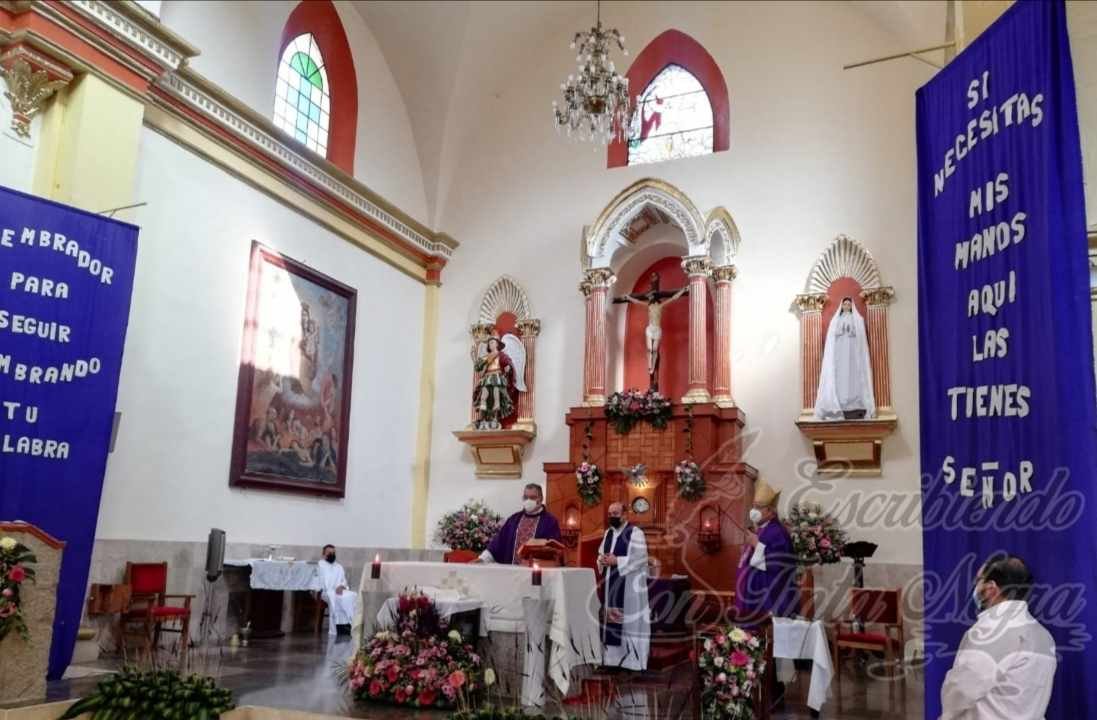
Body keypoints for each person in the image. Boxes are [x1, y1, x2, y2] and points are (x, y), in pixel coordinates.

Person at [940, 554, 1056, 720]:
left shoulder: (988, 632)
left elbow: (960, 691)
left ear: (991, 588)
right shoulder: (1044, 636)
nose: (975, 587)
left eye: (978, 581)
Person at [598, 502, 650, 671]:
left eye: (616, 513)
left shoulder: (636, 533)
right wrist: (602, 560)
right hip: (611, 585)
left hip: (629, 589)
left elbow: (641, 558)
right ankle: (611, 661)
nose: (612, 516)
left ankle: (631, 662)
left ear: (625, 515)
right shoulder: (608, 533)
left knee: (629, 624)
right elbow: (600, 554)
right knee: (611, 621)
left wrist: (617, 561)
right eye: (610, 513)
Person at [735, 479, 798, 618]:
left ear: (770, 510)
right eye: (753, 506)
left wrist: (756, 545)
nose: (754, 511)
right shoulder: (761, 529)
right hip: (754, 592)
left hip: (770, 595)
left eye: (758, 507)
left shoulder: (777, 532)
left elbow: (778, 565)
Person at [814, 296, 876, 420]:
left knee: (852, 376)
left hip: (852, 353)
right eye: (845, 304)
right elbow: (832, 336)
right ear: (842, 306)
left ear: (851, 306)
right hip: (840, 353)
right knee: (841, 375)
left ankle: (854, 403)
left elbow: (859, 336)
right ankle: (840, 402)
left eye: (848, 304)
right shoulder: (837, 319)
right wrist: (840, 330)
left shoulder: (856, 319)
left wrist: (852, 330)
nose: (847, 306)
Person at [478, 484, 562, 564]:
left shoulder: (550, 522)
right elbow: (498, 543)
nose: (528, 500)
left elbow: (555, 549)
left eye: (532, 497)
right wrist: (482, 559)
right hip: (513, 571)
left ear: (540, 499)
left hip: (537, 571)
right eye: (525, 497)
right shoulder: (514, 520)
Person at [316, 544, 357, 637]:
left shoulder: (339, 566)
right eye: (329, 552)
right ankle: (338, 628)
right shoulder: (320, 565)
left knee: (352, 595)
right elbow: (318, 581)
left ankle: (350, 624)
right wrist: (328, 589)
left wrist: (341, 586)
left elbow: (344, 581)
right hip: (326, 592)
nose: (332, 554)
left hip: (339, 590)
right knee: (335, 598)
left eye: (333, 552)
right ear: (324, 554)